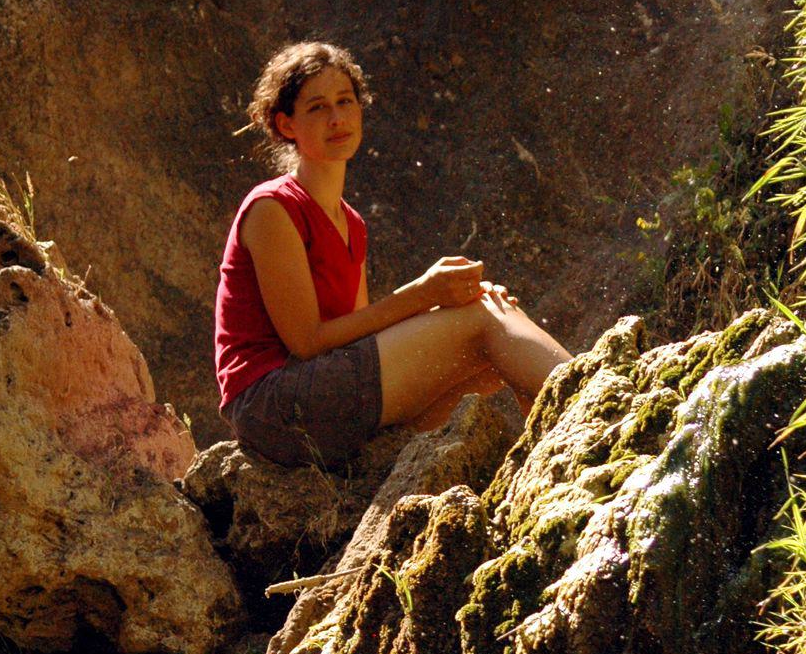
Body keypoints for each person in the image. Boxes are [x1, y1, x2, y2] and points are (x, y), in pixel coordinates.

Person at [214, 40, 571, 468]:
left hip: (323, 394)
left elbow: (359, 340)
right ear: (286, 125)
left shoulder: (351, 224)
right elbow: (306, 342)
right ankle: (591, 399)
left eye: (345, 101)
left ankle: (557, 463)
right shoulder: (273, 208)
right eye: (317, 108)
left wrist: (442, 300)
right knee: (483, 319)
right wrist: (424, 294)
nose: (336, 118)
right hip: (271, 404)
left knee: (491, 342)